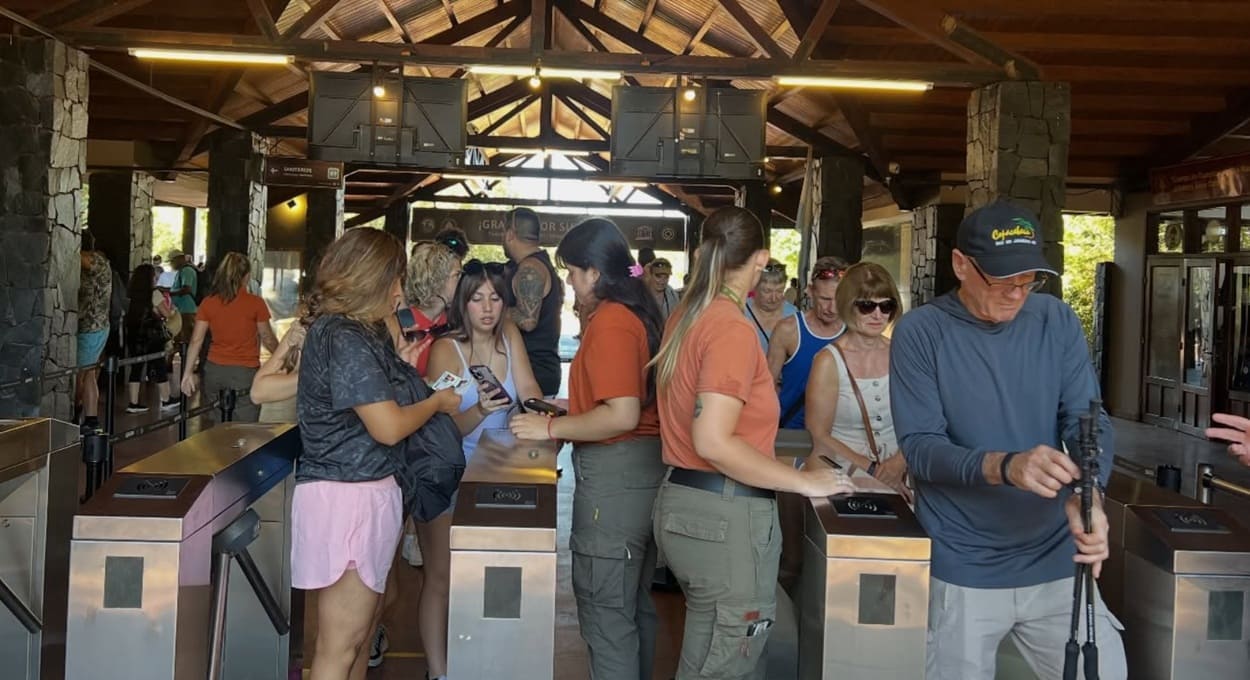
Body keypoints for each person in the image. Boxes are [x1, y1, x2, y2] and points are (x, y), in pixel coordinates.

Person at [890, 199, 1125, 680]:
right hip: (964, 561)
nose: (1017, 293)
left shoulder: (1055, 320)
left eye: (1028, 280)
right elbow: (921, 449)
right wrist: (1006, 466)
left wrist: (1090, 495)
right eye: (1002, 280)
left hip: (1056, 555)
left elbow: (1087, 420)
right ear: (961, 265)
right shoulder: (921, 332)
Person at [650, 206, 855, 679]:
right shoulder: (730, 328)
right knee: (730, 661)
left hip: (685, 503)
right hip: (725, 516)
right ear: (761, 259)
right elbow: (714, 441)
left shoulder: (686, 315)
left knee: (706, 658)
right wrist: (804, 483)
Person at [292, 227, 460, 680]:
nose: (400, 290)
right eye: (394, 278)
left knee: (360, 638)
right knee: (341, 644)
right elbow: (387, 427)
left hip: (362, 491)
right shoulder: (345, 336)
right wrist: (436, 403)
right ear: (371, 279)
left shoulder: (356, 333)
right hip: (349, 495)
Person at [510, 218, 666, 680]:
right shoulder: (638, 313)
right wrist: (569, 408)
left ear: (595, 273)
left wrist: (549, 428)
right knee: (631, 605)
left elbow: (621, 414)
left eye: (574, 272)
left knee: (606, 612)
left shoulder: (612, 321)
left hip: (615, 481)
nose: (571, 283)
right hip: (642, 474)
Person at [424, 259, 542, 680]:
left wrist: (540, 417)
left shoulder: (509, 336)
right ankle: (439, 671)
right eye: (477, 299)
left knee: (494, 572)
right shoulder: (446, 349)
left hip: (497, 472)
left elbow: (528, 390)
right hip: (448, 473)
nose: (488, 308)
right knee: (441, 576)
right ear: (463, 303)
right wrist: (481, 410)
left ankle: (488, 659)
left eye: (495, 298)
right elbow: (439, 429)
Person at [806, 262, 909, 498]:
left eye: (886, 306)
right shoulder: (828, 361)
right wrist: (873, 469)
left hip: (901, 478)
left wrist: (899, 462)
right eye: (866, 306)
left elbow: (924, 419)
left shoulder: (903, 354)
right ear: (847, 305)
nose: (877, 314)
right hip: (842, 479)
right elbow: (819, 433)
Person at [180, 252, 279, 422]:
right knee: (244, 426)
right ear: (247, 276)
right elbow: (267, 337)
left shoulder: (208, 303)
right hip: (244, 372)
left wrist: (187, 372)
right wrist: (283, 357)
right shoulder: (256, 303)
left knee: (218, 424)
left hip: (214, 370)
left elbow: (196, 340)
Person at [767, 256, 849, 428]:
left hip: (839, 433)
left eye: (839, 299)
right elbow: (767, 384)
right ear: (810, 291)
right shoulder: (788, 330)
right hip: (792, 431)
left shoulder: (854, 331)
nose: (832, 308)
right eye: (825, 299)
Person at [503, 207, 563, 396]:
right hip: (536, 372)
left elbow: (528, 321)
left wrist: (495, 309)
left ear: (510, 234)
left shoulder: (530, 268)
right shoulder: (540, 263)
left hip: (534, 375)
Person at [122, 263, 177, 414]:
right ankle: (166, 399)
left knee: (136, 367)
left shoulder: (132, 294)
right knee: (159, 365)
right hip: (151, 336)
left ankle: (133, 403)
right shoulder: (154, 294)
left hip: (134, 334)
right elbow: (166, 313)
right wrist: (172, 311)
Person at [77, 231, 112, 431]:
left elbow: (81, 259)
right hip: (95, 327)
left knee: (79, 375)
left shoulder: (97, 261)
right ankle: (90, 419)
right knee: (88, 373)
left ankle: (76, 417)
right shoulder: (100, 262)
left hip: (90, 328)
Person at [744, 259, 796, 350]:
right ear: (754, 286)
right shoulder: (739, 311)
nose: (774, 298)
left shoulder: (793, 314)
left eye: (780, 291)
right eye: (767, 291)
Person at [168, 250, 199, 345]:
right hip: (181, 310)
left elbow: (186, 289)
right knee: (180, 338)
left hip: (187, 310)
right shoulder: (181, 271)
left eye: (172, 261)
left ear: (179, 259)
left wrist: (170, 293)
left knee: (186, 338)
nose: (171, 264)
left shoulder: (187, 271)